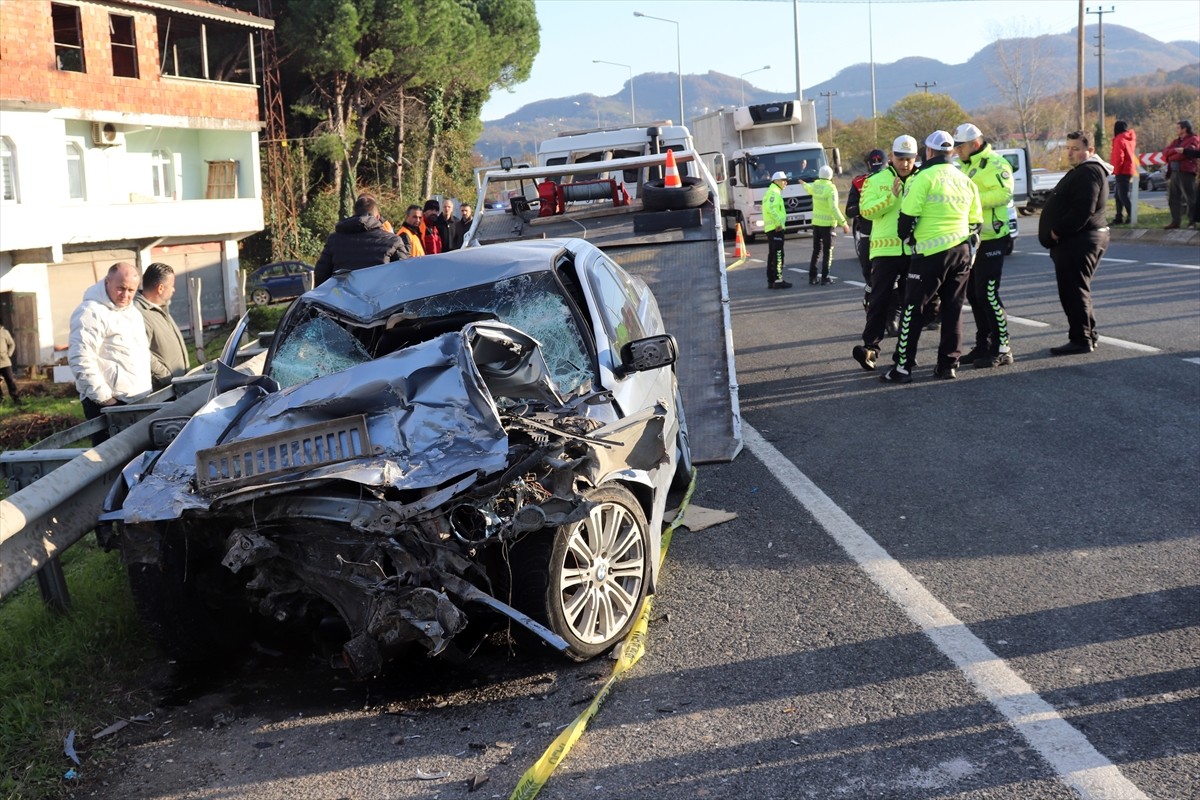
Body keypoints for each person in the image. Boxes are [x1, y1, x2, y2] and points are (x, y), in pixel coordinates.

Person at [881, 131, 981, 384]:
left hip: (929, 254)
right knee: (953, 310)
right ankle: (948, 365)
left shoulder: (923, 177)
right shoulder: (965, 179)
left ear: (928, 152)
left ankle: (902, 368)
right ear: (951, 152)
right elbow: (976, 221)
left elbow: (906, 218)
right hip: (961, 253)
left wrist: (909, 239)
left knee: (913, 309)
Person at [1038, 129, 1112, 355]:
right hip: (1078, 239)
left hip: (1080, 240)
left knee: (1073, 290)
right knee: (1078, 288)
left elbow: (1083, 209)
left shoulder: (1089, 172)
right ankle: (1088, 334)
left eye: (1076, 149)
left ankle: (1081, 339)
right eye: (1068, 148)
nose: (1070, 153)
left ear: (1090, 151)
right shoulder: (1083, 170)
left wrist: (1056, 232)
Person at [852, 135, 919, 371]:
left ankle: (906, 352)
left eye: (909, 159)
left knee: (912, 304)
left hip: (914, 250)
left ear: (916, 158)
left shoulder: (921, 179)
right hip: (884, 251)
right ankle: (870, 348)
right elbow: (866, 211)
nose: (905, 164)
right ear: (891, 157)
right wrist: (891, 197)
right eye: (900, 158)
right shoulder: (875, 180)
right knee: (879, 301)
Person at [953, 122, 1015, 370]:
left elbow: (1004, 194)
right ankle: (984, 344)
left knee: (988, 294)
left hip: (993, 238)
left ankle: (1003, 348)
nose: (957, 151)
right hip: (973, 241)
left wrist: (970, 200)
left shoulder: (996, 164)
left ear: (975, 144)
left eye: (961, 147)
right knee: (974, 295)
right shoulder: (964, 167)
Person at [69, 262, 152, 445]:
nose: (126, 295)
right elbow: (80, 358)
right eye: (121, 288)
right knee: (112, 461)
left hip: (137, 400)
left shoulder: (132, 312)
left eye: (131, 290)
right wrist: (106, 400)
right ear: (107, 282)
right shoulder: (90, 312)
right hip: (110, 404)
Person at [313, 194, 405, 285]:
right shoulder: (393, 241)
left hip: (345, 296)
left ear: (354, 214)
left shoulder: (334, 240)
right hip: (381, 296)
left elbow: (321, 275)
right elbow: (404, 276)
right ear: (378, 217)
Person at [135, 262, 189, 391]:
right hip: (165, 391)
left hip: (177, 387)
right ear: (160, 288)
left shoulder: (159, 308)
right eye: (172, 286)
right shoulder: (139, 313)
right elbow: (140, 353)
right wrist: (165, 377)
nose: (174, 289)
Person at [846, 149, 887, 309]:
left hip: (891, 237)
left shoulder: (896, 179)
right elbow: (849, 210)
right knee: (870, 276)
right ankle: (870, 302)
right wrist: (866, 206)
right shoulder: (859, 182)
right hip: (868, 236)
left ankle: (892, 316)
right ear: (868, 165)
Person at [809, 165, 850, 285]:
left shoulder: (816, 185)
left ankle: (812, 276)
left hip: (816, 223)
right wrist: (844, 223)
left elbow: (809, 189)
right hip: (827, 225)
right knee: (828, 251)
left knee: (816, 250)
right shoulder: (831, 188)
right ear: (831, 176)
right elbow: (833, 208)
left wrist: (803, 184)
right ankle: (825, 277)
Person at [1163, 120, 1199, 229]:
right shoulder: (1176, 141)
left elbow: (1185, 154)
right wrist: (1174, 152)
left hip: (1186, 171)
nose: (1177, 130)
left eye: (1178, 128)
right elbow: (1165, 152)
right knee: (1173, 198)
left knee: (1190, 197)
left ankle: (1192, 221)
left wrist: (1172, 155)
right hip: (1174, 171)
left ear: (1184, 129)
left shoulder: (1193, 139)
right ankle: (1175, 221)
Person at [763, 171, 792, 289]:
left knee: (772, 254)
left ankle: (771, 280)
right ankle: (778, 279)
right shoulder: (774, 193)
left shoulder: (772, 191)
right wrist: (779, 223)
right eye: (783, 180)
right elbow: (771, 208)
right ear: (776, 181)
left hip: (771, 228)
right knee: (779, 254)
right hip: (776, 228)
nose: (786, 182)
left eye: (786, 180)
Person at [1108, 120, 1137, 226]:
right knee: (1118, 194)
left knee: (1122, 195)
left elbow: (1118, 156)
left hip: (1122, 170)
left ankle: (1131, 216)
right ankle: (1119, 216)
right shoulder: (1130, 139)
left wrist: (1115, 169)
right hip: (1129, 169)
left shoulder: (1119, 139)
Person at [0, 321, 21, 405]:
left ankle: (16, 399)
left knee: (10, 380)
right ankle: (1, 401)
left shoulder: (4, 332)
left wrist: (9, 353)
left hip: (5, 361)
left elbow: (12, 344)